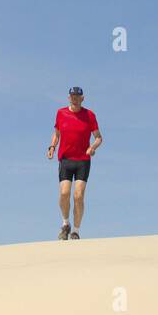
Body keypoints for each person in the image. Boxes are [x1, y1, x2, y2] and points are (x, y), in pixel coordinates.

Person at [47, 86, 102, 240]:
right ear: (68, 98)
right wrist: (52, 147)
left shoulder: (89, 115)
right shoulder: (61, 113)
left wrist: (92, 147)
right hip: (65, 159)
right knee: (64, 193)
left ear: (82, 98)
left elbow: (98, 137)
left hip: (83, 161)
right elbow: (56, 134)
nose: (75, 99)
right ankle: (65, 224)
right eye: (72, 96)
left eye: (78, 96)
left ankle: (76, 231)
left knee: (78, 196)